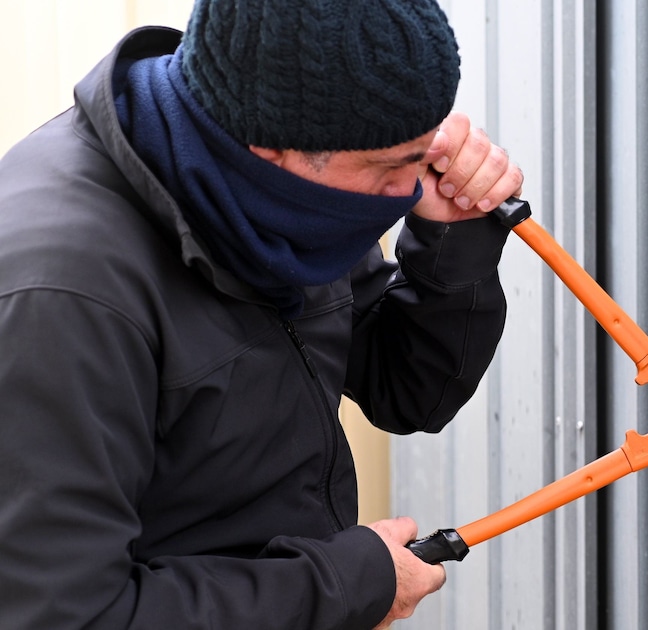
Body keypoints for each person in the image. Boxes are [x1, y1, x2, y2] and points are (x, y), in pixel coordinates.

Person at [0, 0, 522, 628]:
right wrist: (343, 587)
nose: (415, 185)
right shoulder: (62, 295)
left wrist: (450, 238)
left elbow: (407, 390)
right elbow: (62, 614)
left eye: (424, 152)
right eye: (395, 168)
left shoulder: (271, 191)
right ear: (274, 148)